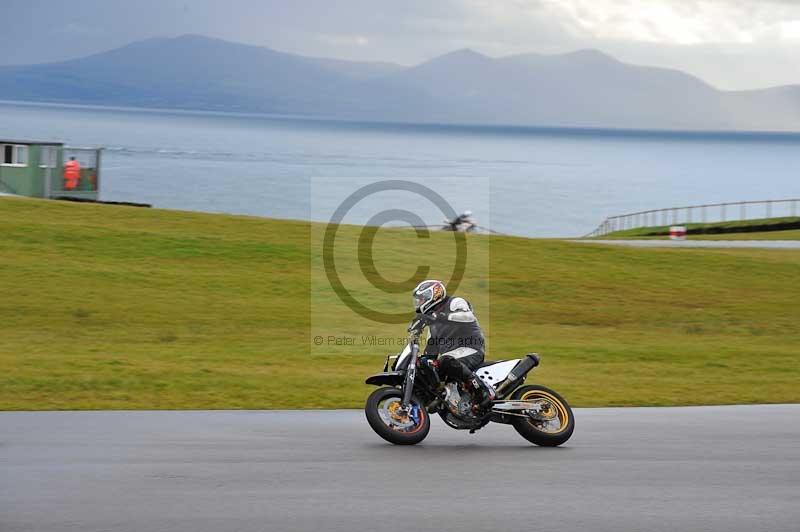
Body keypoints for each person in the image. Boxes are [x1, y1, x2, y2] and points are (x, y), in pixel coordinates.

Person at [412, 279, 496, 409]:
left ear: (433, 294)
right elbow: (431, 350)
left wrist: (440, 316)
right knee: (427, 367)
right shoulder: (433, 324)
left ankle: (483, 393)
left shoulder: (455, 302)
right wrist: (422, 361)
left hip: (471, 348)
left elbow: (468, 317)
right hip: (452, 356)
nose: (419, 303)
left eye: (421, 299)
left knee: (445, 361)